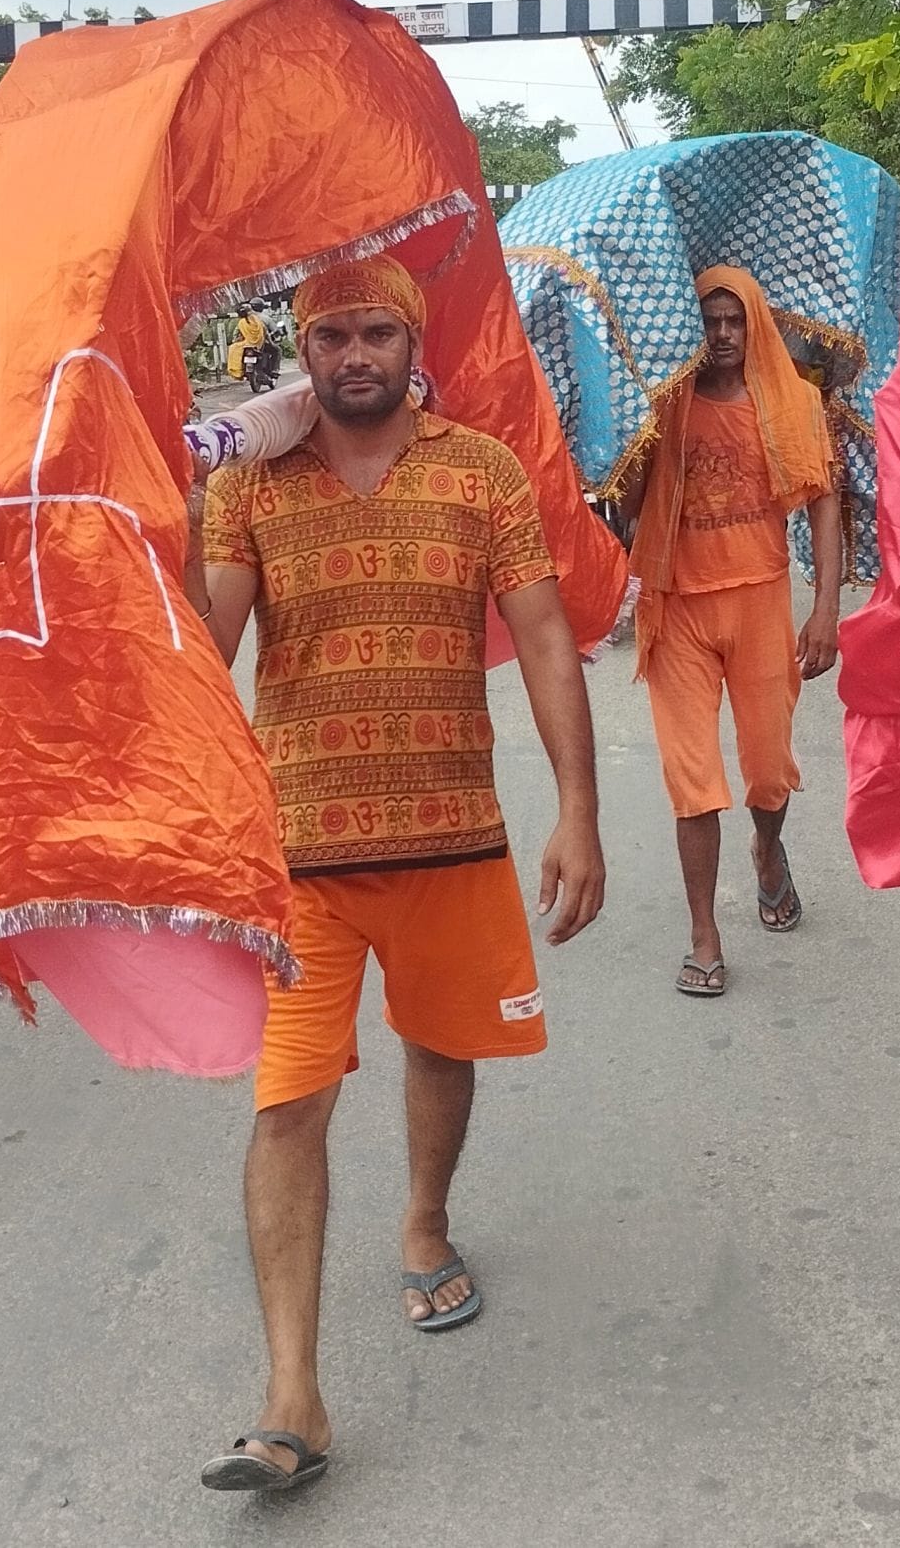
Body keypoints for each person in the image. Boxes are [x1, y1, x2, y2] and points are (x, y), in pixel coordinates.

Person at [192, 254, 605, 1492]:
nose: (355, 355)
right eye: (332, 337)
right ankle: (290, 1397)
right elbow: (205, 641)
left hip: (451, 838)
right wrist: (173, 493)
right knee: (287, 1104)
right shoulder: (250, 482)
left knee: (442, 1047)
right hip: (300, 851)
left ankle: (424, 1218)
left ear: (412, 344)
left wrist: (578, 808)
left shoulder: (480, 469)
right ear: (300, 351)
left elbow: (542, 636)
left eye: (377, 333)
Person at [620, 266, 841, 998]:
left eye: (733, 320)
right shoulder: (658, 407)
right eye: (707, 321)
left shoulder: (793, 403)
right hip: (677, 607)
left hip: (760, 601)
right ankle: (704, 934)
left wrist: (826, 608)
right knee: (693, 781)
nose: (720, 334)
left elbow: (822, 506)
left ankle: (768, 850)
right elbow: (623, 485)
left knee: (770, 768)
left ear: (753, 326)